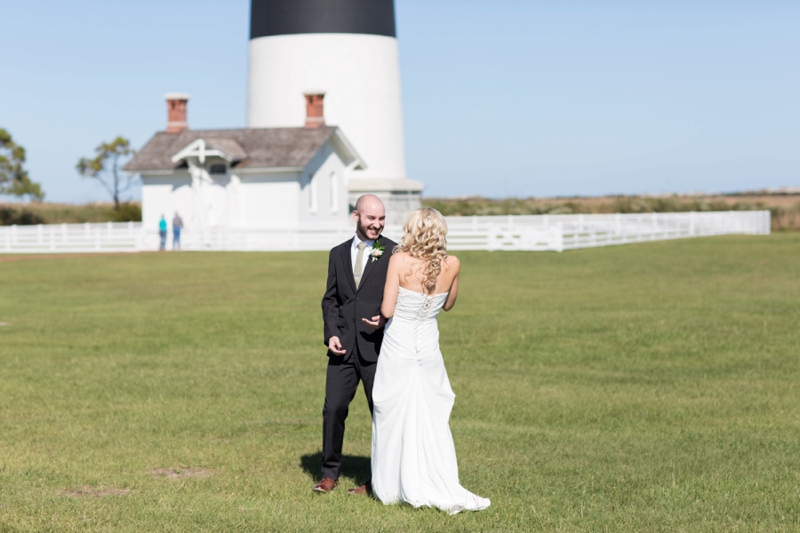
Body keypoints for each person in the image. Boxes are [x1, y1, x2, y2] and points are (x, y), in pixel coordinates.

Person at [369, 207, 491, 514]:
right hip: (428, 345)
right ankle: (432, 476)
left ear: (412, 230)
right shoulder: (453, 264)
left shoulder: (398, 260)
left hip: (399, 345)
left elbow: (387, 310)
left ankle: (392, 486)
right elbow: (448, 304)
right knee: (430, 415)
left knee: (394, 411)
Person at [316, 194, 397, 493]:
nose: (377, 224)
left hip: (378, 349)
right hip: (342, 348)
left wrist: (386, 320)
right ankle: (329, 473)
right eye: (371, 218)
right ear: (356, 216)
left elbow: (402, 297)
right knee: (333, 408)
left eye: (381, 219)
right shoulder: (337, 253)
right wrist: (331, 333)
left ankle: (380, 479)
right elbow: (331, 299)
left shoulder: (392, 252)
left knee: (382, 413)